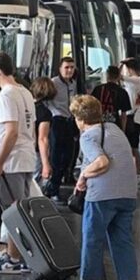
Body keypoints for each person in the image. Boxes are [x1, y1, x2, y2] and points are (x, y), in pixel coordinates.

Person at [0, 52, 37, 275]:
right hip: (25, 158)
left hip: (11, 161)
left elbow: (10, 132)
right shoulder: (25, 92)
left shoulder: (6, 96)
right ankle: (18, 255)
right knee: (20, 211)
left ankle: (15, 258)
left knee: (13, 213)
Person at [71, 95, 138, 280]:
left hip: (102, 195)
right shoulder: (115, 128)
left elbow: (102, 161)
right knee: (123, 242)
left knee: (92, 241)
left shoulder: (88, 136)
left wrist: (83, 175)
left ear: (81, 119)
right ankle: (129, 279)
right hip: (128, 193)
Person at [45, 57, 80, 200]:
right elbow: (46, 100)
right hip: (57, 120)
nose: (69, 70)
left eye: (72, 67)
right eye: (66, 67)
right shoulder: (53, 83)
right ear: (60, 68)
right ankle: (52, 188)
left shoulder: (73, 83)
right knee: (56, 155)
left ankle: (60, 182)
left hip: (70, 120)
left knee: (68, 154)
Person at [120, 58, 140, 174]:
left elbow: (119, 76)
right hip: (136, 116)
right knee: (132, 146)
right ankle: (136, 171)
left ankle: (137, 172)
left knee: (132, 146)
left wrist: (121, 63)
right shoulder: (139, 80)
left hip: (133, 116)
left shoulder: (137, 80)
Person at [90, 65, 131, 131]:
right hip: (114, 126)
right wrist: (123, 130)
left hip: (98, 124)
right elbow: (124, 116)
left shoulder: (98, 89)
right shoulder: (122, 92)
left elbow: (90, 107)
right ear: (118, 77)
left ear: (107, 75)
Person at [31, 77, 55, 184]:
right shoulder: (44, 112)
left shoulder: (25, 106)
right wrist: (46, 164)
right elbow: (42, 138)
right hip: (35, 153)